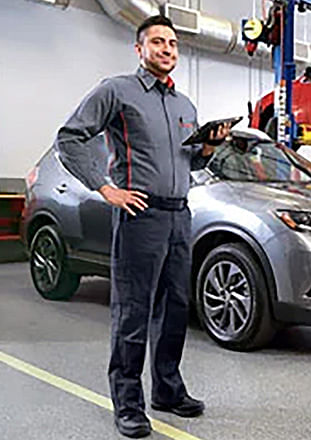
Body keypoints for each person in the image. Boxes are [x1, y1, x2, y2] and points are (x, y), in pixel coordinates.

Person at [56, 15, 230, 438]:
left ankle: (168, 391)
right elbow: (69, 139)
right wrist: (105, 188)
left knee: (174, 309)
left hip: (179, 215)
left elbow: (191, 163)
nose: (167, 49)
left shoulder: (185, 105)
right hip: (140, 215)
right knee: (133, 312)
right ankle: (128, 404)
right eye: (158, 42)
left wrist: (208, 147)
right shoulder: (117, 91)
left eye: (172, 43)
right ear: (140, 49)